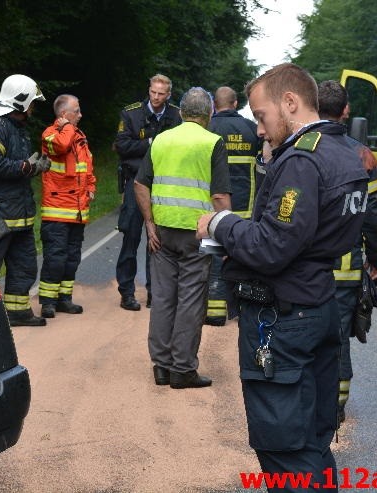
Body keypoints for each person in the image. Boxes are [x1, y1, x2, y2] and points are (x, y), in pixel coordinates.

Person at [197, 63, 368, 491]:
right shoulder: (346, 151)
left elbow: (272, 245)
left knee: (285, 447)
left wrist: (220, 224)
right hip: (320, 305)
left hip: (283, 318)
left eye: (261, 116)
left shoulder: (302, 160)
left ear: (290, 102)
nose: (258, 128)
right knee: (311, 438)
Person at [134, 87, 231, 389]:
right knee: (191, 300)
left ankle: (161, 366)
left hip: (161, 232)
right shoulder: (212, 142)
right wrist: (229, 234)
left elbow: (140, 184)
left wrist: (149, 223)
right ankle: (183, 369)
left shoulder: (162, 139)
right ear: (209, 113)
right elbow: (219, 197)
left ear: (181, 112)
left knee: (163, 298)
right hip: (198, 234)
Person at [317, 80, 377, 423]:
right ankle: (336, 405)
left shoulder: (303, 149)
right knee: (339, 338)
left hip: (306, 268)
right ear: (346, 111)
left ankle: (308, 400)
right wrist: (376, 256)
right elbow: (375, 214)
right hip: (346, 268)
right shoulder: (364, 156)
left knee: (304, 332)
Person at [0, 74, 50, 327]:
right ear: (21, 102)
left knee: (25, 266)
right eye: (32, 102)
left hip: (21, 216)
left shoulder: (19, 129)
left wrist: (35, 167)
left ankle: (16, 313)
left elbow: (21, 167)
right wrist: (25, 167)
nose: (34, 107)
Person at [114, 74, 182, 311]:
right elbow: (121, 146)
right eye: (153, 92)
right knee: (130, 236)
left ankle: (155, 292)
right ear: (149, 90)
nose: (155, 97)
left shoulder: (176, 115)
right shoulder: (131, 113)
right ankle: (127, 292)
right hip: (135, 181)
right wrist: (151, 143)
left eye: (161, 94)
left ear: (168, 95)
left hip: (163, 183)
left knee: (157, 240)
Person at [204, 86, 261, 326]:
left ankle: (215, 312)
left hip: (215, 208)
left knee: (215, 255)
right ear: (236, 103)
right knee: (244, 257)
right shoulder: (251, 129)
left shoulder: (207, 129)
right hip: (246, 207)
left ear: (214, 105)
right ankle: (242, 309)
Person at [38, 95, 96, 318]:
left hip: (78, 210)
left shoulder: (79, 136)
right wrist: (68, 127)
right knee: (56, 257)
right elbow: (61, 146)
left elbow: (87, 166)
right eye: (76, 111)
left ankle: (64, 299)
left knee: (72, 257)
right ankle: (48, 302)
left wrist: (91, 186)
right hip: (57, 210)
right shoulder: (50, 134)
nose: (80, 115)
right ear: (64, 115)